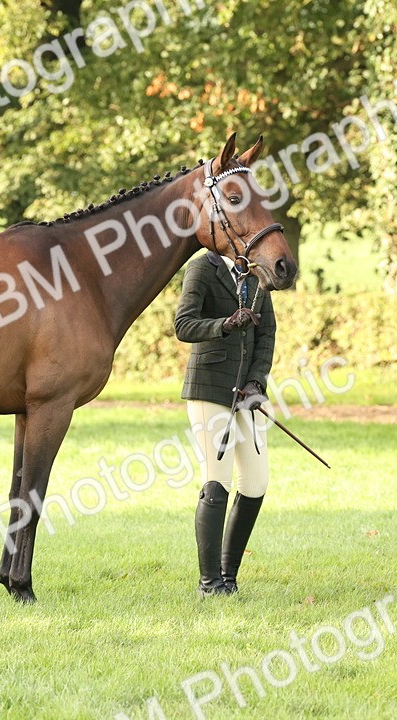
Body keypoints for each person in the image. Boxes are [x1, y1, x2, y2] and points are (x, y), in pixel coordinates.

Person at [174, 249, 275, 596]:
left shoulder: (259, 275)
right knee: (217, 481)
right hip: (209, 388)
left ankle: (228, 577)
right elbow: (183, 325)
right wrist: (225, 324)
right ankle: (210, 583)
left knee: (256, 482)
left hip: (246, 393)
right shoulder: (203, 268)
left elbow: (268, 335)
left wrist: (257, 381)